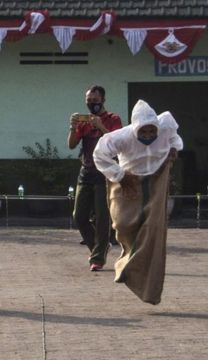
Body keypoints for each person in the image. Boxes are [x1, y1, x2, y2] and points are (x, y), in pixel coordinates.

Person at [93, 99, 182, 305]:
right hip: (128, 179)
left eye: (153, 132)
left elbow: (175, 138)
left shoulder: (166, 125)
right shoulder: (121, 137)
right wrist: (119, 175)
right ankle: (127, 259)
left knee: (152, 228)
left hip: (157, 177)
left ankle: (143, 281)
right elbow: (99, 155)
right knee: (122, 225)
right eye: (144, 132)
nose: (149, 136)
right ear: (136, 130)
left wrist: (173, 148)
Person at [68, 85, 122, 271]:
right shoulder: (84, 122)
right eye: (89, 101)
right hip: (86, 172)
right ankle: (99, 248)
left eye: (95, 101)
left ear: (103, 100)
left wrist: (101, 126)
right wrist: (73, 127)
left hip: (104, 173)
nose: (92, 104)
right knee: (79, 216)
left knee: (102, 216)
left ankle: (98, 258)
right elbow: (71, 145)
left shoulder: (113, 119)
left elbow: (116, 144)